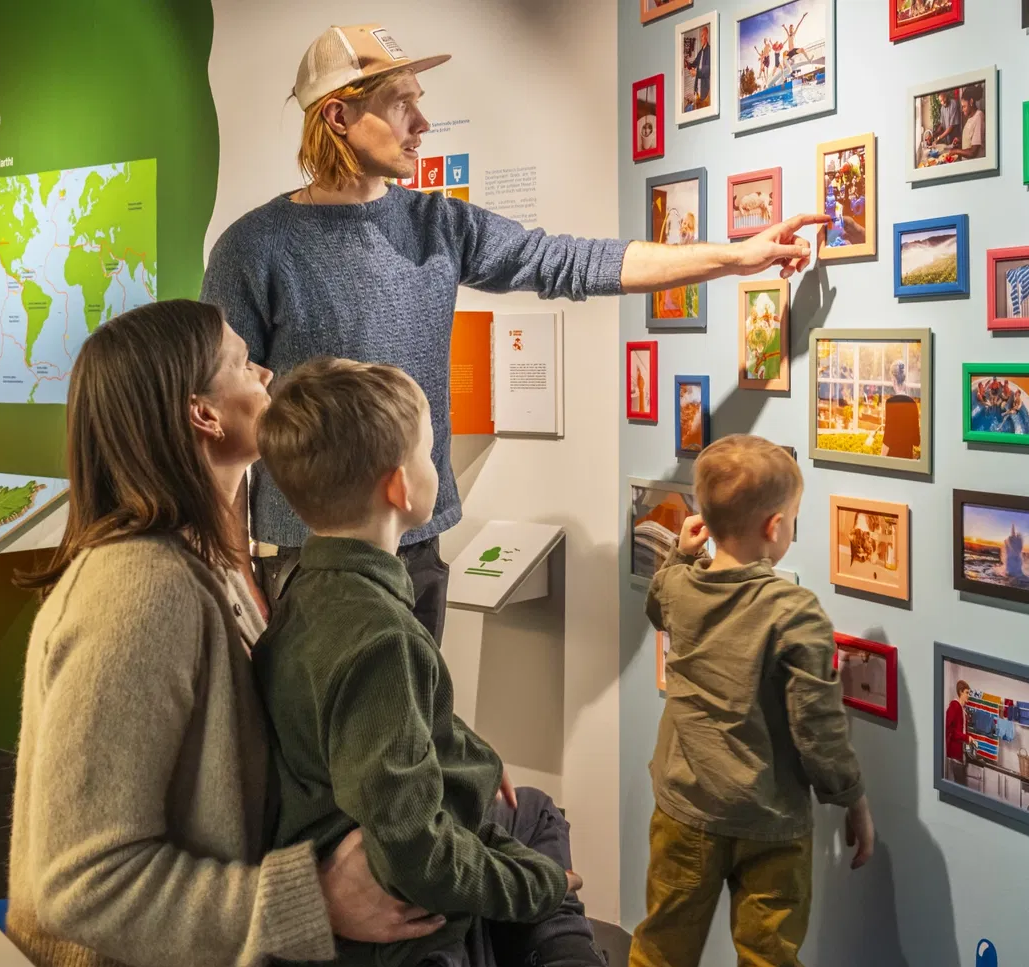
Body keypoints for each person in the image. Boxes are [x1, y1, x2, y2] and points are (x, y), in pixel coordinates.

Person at [202, 23, 828, 644]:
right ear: (339, 116)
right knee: (323, 740)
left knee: (418, 732)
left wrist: (736, 257)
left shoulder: (436, 223)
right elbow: (221, 425)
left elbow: (568, 262)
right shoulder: (254, 248)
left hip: (415, 543)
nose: (421, 123)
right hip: (306, 559)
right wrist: (236, 570)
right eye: (402, 105)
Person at [9, 300, 440, 967]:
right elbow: (80, 883)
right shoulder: (138, 590)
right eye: (244, 362)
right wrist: (310, 899)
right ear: (203, 414)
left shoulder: (213, 562)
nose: (266, 372)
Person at [249, 358, 684, 967]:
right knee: (539, 867)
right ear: (400, 484)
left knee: (534, 812)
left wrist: (468, 754)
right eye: (430, 449)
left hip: (364, 966)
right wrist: (538, 885)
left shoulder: (312, 594)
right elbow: (416, 856)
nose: (437, 464)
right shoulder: (377, 636)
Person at [622, 435, 874, 967]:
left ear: (707, 520)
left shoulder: (680, 590)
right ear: (777, 526)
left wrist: (681, 556)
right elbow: (817, 725)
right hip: (770, 822)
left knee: (659, 955)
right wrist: (851, 798)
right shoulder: (794, 612)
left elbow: (659, 601)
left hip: (684, 811)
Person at [882, 359, 921, 459]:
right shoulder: (913, 404)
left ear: (893, 380)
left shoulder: (890, 403)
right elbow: (916, 441)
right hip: (907, 458)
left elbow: (887, 439)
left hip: (892, 459)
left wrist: (881, 460)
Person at [945, 680, 972, 784]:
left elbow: (962, 731)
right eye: (967, 692)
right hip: (955, 755)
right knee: (960, 785)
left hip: (961, 755)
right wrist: (966, 738)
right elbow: (950, 730)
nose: (968, 696)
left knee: (961, 784)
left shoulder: (962, 710)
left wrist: (969, 740)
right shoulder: (954, 706)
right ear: (960, 692)